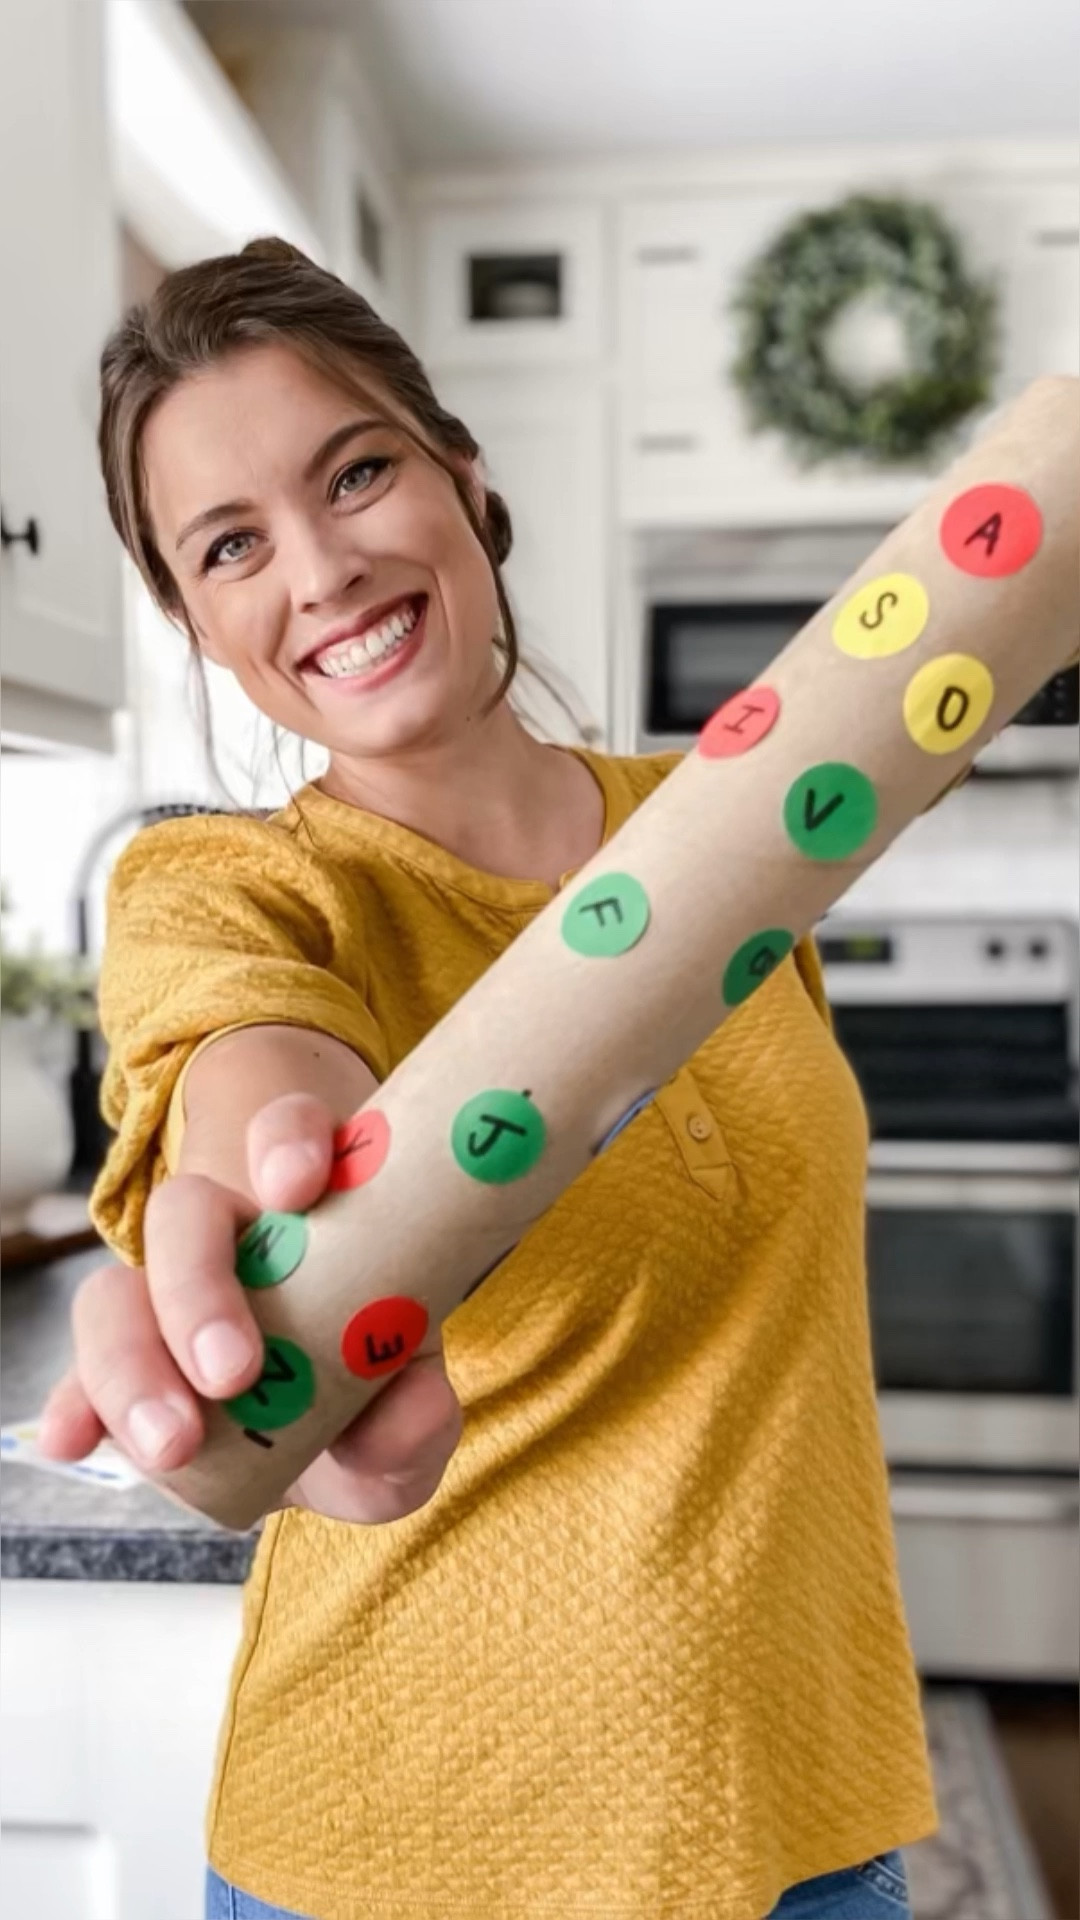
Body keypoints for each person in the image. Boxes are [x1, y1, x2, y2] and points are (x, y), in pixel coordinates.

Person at [39, 239, 937, 1920]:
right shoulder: (224, 886)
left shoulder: (731, 830)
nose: (323, 569)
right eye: (232, 545)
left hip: (808, 1806)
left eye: (355, 473)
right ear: (194, 622)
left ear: (461, 473)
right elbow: (242, 1057)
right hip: (423, 1844)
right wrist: (286, 1208)